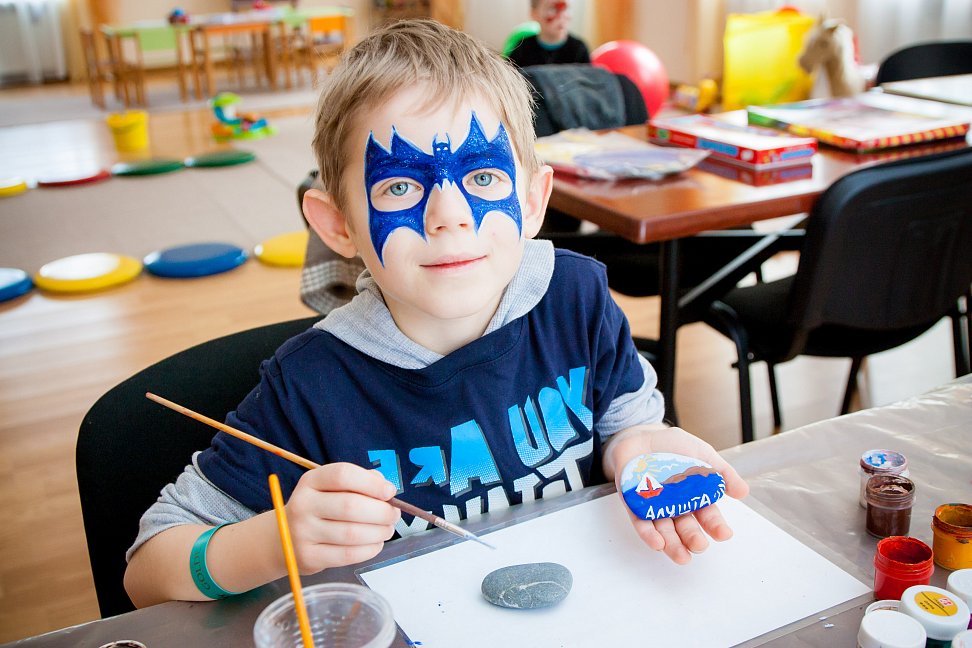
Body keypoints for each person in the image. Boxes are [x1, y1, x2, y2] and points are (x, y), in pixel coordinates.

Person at [124, 19, 748, 607]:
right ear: (338, 225)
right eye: (399, 186)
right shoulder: (309, 385)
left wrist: (644, 453)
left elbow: (627, 427)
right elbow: (147, 572)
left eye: (482, 178)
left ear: (534, 201)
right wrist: (274, 541)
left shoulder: (576, 298)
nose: (449, 215)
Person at [508, 0, 591, 68]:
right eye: (552, 9)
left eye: (565, 8)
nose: (562, 16)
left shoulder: (578, 49)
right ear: (534, 14)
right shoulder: (522, 49)